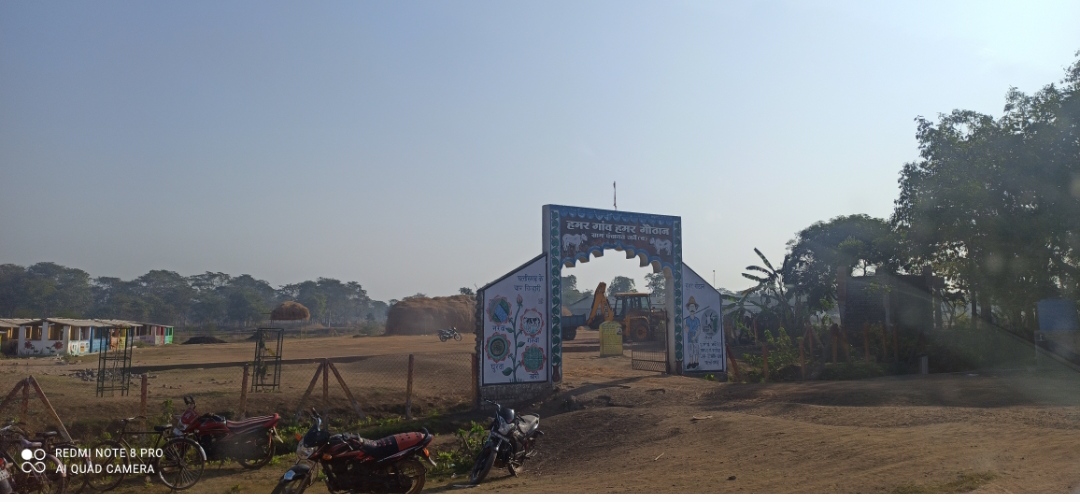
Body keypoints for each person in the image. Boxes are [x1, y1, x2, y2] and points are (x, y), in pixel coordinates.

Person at [685, 296, 701, 369]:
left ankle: (696, 362)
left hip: (696, 338)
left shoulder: (697, 320)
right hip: (689, 338)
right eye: (690, 307)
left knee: (696, 351)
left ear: (695, 309)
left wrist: (695, 336)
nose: (692, 309)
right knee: (690, 351)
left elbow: (699, 330)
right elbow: (686, 330)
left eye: (693, 307)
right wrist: (686, 328)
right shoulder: (687, 320)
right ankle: (691, 362)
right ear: (688, 308)